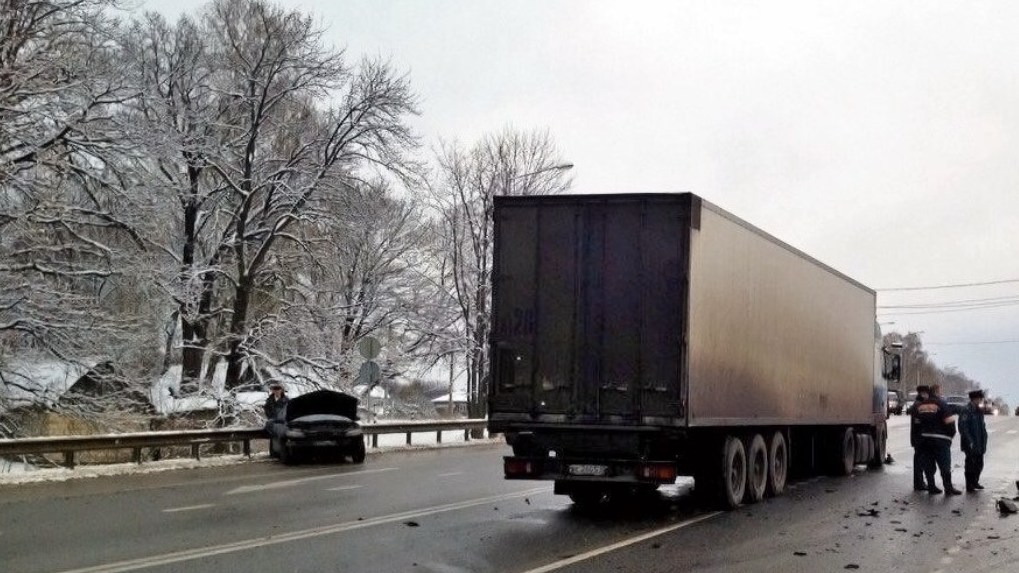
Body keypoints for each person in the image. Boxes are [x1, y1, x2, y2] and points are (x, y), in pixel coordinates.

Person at [915, 385, 961, 495]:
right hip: (941, 440)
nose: (941, 393)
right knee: (944, 465)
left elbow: (917, 423)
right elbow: (950, 422)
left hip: (925, 440)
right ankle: (948, 488)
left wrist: (920, 437)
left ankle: (931, 486)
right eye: (940, 391)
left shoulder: (921, 405)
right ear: (936, 392)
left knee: (929, 465)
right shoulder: (941, 404)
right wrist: (949, 437)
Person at [959, 389, 988, 492]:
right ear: (975, 399)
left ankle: (975, 481)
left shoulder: (979, 411)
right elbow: (963, 427)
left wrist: (984, 440)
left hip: (979, 442)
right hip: (970, 443)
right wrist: (969, 441)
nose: (980, 401)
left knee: (979, 464)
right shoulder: (967, 410)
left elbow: (982, 427)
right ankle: (969, 484)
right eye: (980, 399)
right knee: (970, 465)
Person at [907, 385, 932, 491]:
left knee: (919, 461)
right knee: (919, 462)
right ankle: (919, 483)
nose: (927, 396)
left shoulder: (918, 404)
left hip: (918, 437)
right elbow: (920, 422)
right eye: (926, 393)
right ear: (922, 393)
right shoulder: (919, 405)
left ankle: (919, 483)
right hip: (920, 438)